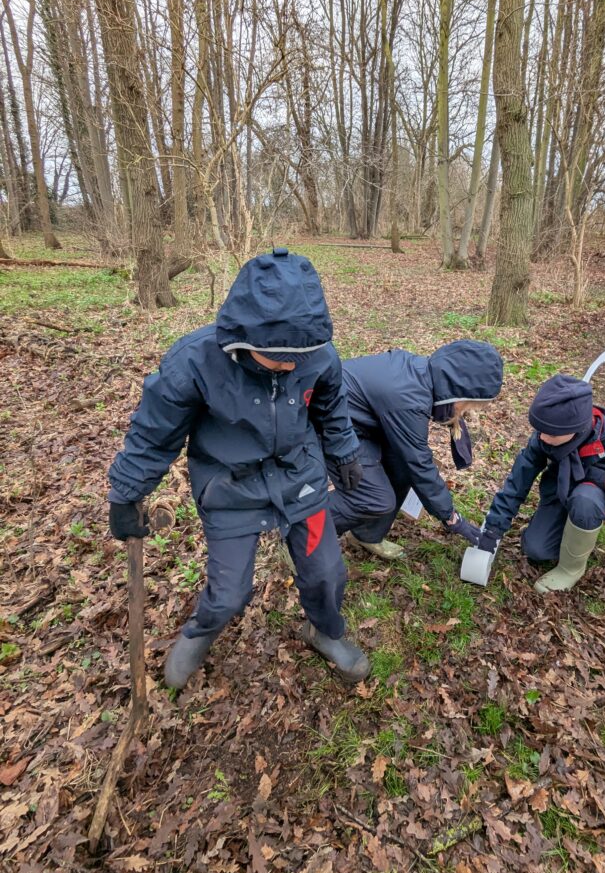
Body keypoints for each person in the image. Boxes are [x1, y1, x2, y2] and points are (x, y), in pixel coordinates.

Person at [107, 248, 371, 688]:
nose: (292, 365)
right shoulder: (193, 361)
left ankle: (324, 631)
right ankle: (200, 632)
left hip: (299, 477)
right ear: (246, 341)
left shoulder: (316, 354)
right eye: (280, 356)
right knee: (230, 593)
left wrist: (344, 452)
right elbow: (154, 435)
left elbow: (330, 406)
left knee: (327, 571)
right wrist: (126, 493)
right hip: (230, 487)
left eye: (300, 356)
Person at [477, 373, 605, 593]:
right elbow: (517, 482)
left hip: (593, 494)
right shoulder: (545, 435)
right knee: (536, 550)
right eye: (540, 430)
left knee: (585, 501)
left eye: (550, 433)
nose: (542, 437)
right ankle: (569, 525)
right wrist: (493, 529)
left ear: (574, 430)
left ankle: (571, 568)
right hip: (560, 490)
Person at [327, 341, 504, 558]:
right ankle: (302, 534)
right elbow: (420, 464)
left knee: (401, 468)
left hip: (363, 422)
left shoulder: (422, 376)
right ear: (455, 391)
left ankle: (366, 535)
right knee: (373, 498)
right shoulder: (410, 400)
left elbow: (411, 462)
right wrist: (451, 518)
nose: (465, 412)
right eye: (466, 405)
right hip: (332, 424)